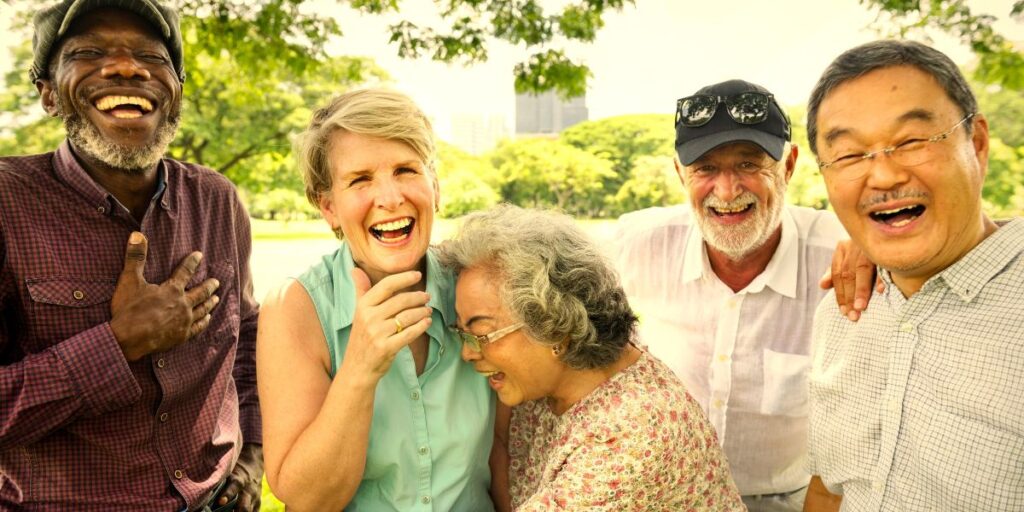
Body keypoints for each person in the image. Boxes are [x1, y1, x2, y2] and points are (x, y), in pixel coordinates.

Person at [0, 0, 263, 510]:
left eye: (152, 57)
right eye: (89, 52)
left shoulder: (216, 199)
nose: (126, 67)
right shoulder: (7, 203)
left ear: (177, 91)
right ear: (48, 94)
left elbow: (247, 342)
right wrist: (117, 345)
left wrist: (252, 457)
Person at [803, 39, 1024, 512]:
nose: (883, 177)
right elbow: (828, 488)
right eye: (849, 155)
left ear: (977, 144)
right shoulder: (841, 311)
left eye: (910, 142)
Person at [613, 79, 848, 511]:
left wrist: (873, 253)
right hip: (661, 495)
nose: (726, 190)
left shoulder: (841, 254)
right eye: (705, 168)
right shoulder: (635, 244)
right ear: (680, 173)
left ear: (789, 165)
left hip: (784, 500)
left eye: (747, 164)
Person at [257, 88, 495, 511]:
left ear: (435, 188)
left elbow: (509, 453)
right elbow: (308, 500)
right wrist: (360, 368)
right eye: (360, 179)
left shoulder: (478, 286)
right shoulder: (294, 309)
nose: (390, 198)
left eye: (405, 170)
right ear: (328, 207)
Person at [440, 204, 745, 512]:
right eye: (462, 333)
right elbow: (501, 443)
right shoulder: (552, 376)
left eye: (481, 334)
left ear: (554, 326)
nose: (468, 352)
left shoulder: (629, 436)